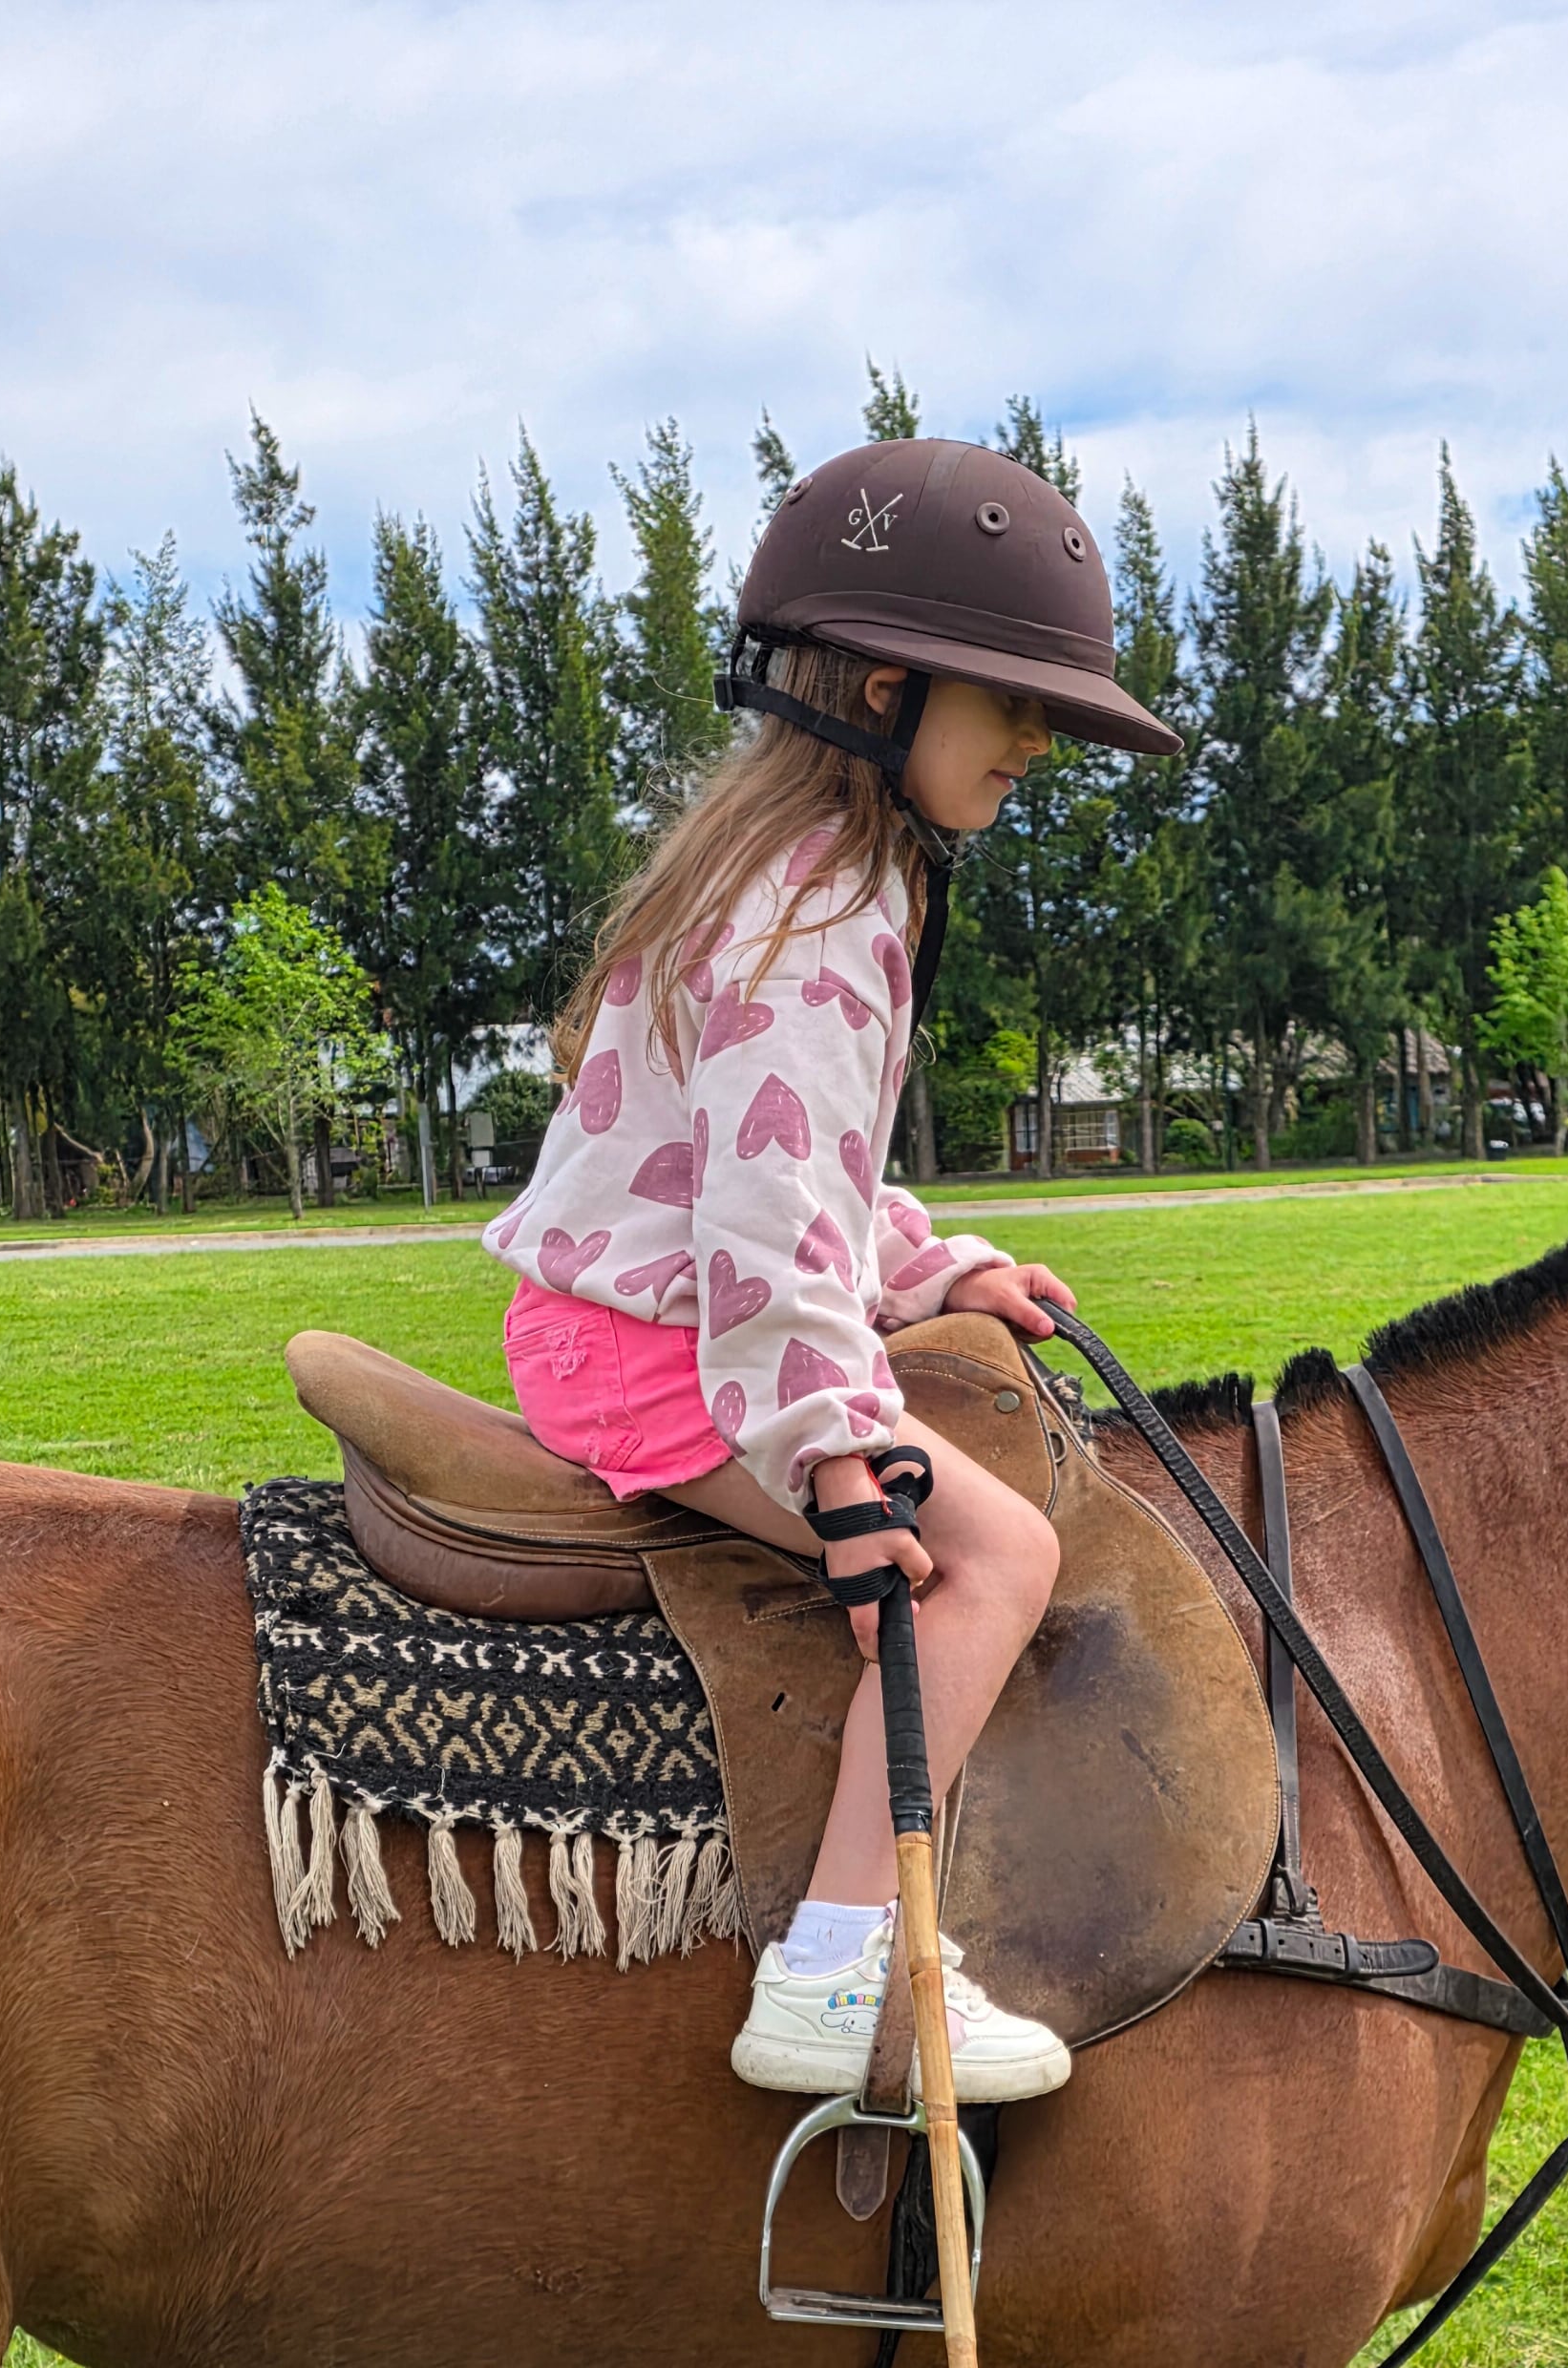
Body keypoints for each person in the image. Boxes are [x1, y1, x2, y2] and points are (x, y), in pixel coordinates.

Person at [486, 436, 1180, 2100]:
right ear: (879, 692)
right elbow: (764, 1235)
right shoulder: (826, 913)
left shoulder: (798, 873)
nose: (1032, 744)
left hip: (616, 1316)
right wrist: (835, 1458)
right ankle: (845, 1976)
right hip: (666, 1347)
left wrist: (933, 1271)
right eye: (1003, 704)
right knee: (995, 1554)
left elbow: (800, 1170)